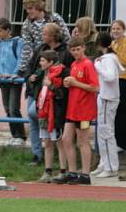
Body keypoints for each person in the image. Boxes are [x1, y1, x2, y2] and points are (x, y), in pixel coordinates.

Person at [24, 22, 72, 167]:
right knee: (34, 119)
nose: (41, 35)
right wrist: (29, 78)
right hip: (37, 91)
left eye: (45, 33)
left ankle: (62, 166)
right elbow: (31, 66)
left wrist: (54, 86)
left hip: (54, 95)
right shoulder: (40, 48)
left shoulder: (65, 51)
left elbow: (66, 72)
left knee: (38, 115)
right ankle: (37, 155)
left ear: (53, 35)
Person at [56, 37, 99, 185]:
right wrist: (68, 83)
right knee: (66, 139)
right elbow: (77, 84)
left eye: (78, 49)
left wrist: (76, 83)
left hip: (84, 110)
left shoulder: (88, 64)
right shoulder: (74, 64)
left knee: (82, 140)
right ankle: (73, 172)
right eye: (73, 50)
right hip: (73, 108)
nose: (75, 52)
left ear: (83, 48)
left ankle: (86, 174)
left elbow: (95, 87)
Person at [16, 0, 70, 78]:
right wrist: (22, 69)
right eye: (26, 9)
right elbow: (27, 47)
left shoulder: (55, 18)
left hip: (58, 58)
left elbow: (67, 38)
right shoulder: (27, 24)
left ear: (38, 7)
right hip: (40, 60)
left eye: (30, 8)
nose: (28, 11)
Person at [34, 50, 68, 183]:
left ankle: (63, 171)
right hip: (44, 111)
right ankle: (47, 171)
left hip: (55, 113)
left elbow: (62, 95)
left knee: (59, 142)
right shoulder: (44, 73)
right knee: (47, 142)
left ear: (50, 62)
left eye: (42, 61)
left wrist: (52, 86)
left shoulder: (61, 72)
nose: (40, 63)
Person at [0, 18, 26, 146]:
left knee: (13, 108)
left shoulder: (17, 42)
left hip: (14, 80)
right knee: (7, 108)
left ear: (8, 30)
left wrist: (15, 73)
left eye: (0, 31)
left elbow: (20, 60)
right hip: (3, 80)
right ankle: (14, 135)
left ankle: (20, 136)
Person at [92, 33, 122, 179]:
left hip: (107, 98)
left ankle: (110, 167)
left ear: (99, 44)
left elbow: (109, 77)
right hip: (106, 97)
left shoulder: (107, 59)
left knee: (106, 132)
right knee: (102, 131)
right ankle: (104, 163)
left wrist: (97, 66)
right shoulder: (111, 57)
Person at [109, 20, 126, 169]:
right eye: (113, 28)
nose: (115, 31)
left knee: (122, 113)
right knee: (115, 113)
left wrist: (113, 58)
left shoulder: (124, 44)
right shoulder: (112, 44)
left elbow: (123, 61)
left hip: (123, 81)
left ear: (123, 30)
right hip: (113, 81)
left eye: (118, 28)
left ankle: (122, 143)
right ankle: (118, 142)